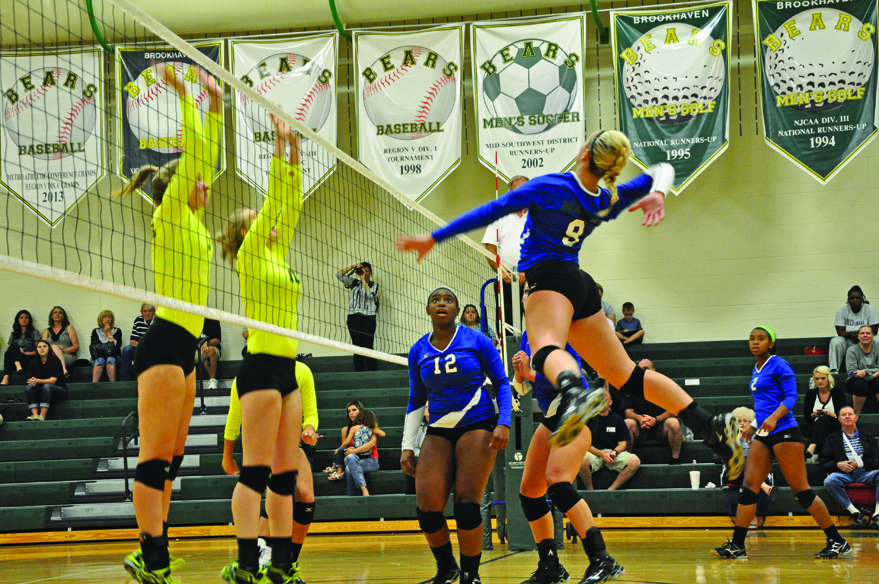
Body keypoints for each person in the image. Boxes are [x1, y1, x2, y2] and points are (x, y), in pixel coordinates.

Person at [398, 130, 742, 583]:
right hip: (581, 284)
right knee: (627, 377)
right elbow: (662, 170)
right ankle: (706, 424)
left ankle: (573, 390)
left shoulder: (553, 186)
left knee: (545, 349)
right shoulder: (605, 196)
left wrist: (435, 237)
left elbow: (489, 211)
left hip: (547, 279)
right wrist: (656, 193)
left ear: (583, 152)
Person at [115, 64, 224, 584]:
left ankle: (148, 548)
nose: (205, 185)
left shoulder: (195, 223)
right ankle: (154, 560)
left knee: (174, 458)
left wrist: (218, 110)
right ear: (176, 189)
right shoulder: (172, 213)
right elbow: (199, 157)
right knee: (155, 456)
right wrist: (186, 94)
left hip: (185, 346)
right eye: (196, 181)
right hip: (160, 345)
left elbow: (210, 157)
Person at [216, 115, 305, 584]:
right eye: (256, 220)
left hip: (288, 371)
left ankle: (283, 567)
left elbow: (290, 202)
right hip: (259, 371)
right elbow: (276, 203)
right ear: (246, 234)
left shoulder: (277, 253)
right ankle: (247, 563)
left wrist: (294, 150)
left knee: (284, 476)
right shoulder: (251, 256)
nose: (266, 220)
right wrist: (275, 143)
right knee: (254, 472)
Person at [401, 287, 511, 584]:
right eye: (435, 300)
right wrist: (407, 446)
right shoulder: (418, 350)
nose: (441, 304)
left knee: (465, 503)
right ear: (427, 310)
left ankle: (470, 575)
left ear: (457, 309)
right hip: (438, 428)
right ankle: (447, 567)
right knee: (427, 507)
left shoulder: (478, 340)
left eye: (447, 300)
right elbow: (415, 399)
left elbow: (501, 382)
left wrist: (504, 422)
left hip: (477, 422)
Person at [712, 326, 850, 560]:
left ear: (771, 343)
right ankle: (737, 545)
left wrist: (774, 418)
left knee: (802, 492)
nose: (755, 342)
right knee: (748, 487)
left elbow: (791, 397)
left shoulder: (779, 364)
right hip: (765, 433)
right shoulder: (756, 368)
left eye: (761, 339)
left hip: (785, 431)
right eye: (752, 338)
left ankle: (837, 540)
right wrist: (756, 426)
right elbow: (763, 404)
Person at [223, 360, 319, 584]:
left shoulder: (301, 371)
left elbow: (311, 413)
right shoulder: (245, 375)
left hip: (288, 443)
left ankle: (285, 562)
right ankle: (260, 557)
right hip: (259, 445)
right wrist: (227, 454)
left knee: (305, 495)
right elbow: (234, 417)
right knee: (274, 493)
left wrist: (309, 429)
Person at [819, 405, 879, 529]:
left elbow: (877, 460)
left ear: (856, 418)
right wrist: (837, 465)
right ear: (839, 419)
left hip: (865, 472)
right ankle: (855, 513)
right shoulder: (832, 438)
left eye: (850, 414)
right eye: (843, 415)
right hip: (844, 474)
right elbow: (823, 461)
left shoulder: (868, 436)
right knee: (829, 481)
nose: (847, 417)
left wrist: (859, 464)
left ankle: (877, 514)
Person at [482, 175, 529, 332]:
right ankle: (508, 356)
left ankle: (536, 355)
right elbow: (490, 250)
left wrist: (528, 271)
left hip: (533, 279)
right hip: (505, 280)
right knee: (507, 327)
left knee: (536, 322)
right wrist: (502, 271)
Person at [722, 407, 773, 529]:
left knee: (750, 464)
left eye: (746, 421)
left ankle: (752, 517)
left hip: (757, 472)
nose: (742, 424)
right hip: (734, 474)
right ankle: (764, 486)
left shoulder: (760, 436)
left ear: (752, 423)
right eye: (739, 421)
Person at [578, 391, 639, 491]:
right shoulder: (589, 420)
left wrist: (614, 453)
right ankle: (590, 490)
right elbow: (586, 445)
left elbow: (623, 443)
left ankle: (611, 489)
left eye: (604, 400)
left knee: (635, 461)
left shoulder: (618, 420)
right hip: (595, 453)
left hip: (612, 453)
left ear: (610, 402)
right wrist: (602, 455)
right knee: (581, 460)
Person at [624, 359, 682, 464]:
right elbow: (628, 413)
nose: (643, 371)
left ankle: (675, 458)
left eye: (646, 368)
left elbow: (674, 410)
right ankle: (628, 459)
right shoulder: (630, 388)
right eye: (640, 369)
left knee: (674, 423)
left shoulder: (665, 386)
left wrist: (656, 419)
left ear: (654, 370)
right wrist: (640, 418)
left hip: (661, 426)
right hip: (641, 427)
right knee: (627, 423)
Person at [336, 262, 379, 372]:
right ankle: (359, 372)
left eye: (367, 271)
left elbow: (370, 295)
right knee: (357, 346)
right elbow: (339, 275)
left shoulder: (374, 285)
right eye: (363, 270)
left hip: (368, 318)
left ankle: (372, 372)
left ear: (370, 273)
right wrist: (353, 267)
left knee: (368, 345)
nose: (365, 273)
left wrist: (364, 279)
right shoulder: (354, 283)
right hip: (354, 317)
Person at [830, 286, 879, 373]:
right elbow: (840, 331)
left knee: (877, 339)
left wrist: (861, 335)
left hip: (866, 340)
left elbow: (874, 331)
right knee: (836, 341)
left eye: (857, 298)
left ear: (862, 299)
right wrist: (852, 334)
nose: (855, 300)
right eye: (852, 298)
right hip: (849, 340)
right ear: (848, 300)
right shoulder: (842, 311)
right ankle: (834, 370)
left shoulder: (870, 310)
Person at [802, 366, 846, 461]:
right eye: (817, 379)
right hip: (814, 426)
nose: (820, 381)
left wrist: (831, 415)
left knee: (826, 419)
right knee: (821, 421)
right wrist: (814, 415)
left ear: (828, 379)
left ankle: (813, 446)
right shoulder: (811, 394)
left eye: (823, 378)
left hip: (834, 424)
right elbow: (806, 418)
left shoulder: (837, 392)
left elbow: (845, 414)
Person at [24, 339, 68, 421]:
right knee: (28, 388)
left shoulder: (55, 360)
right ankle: (35, 415)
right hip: (41, 391)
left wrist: (37, 380)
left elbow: (52, 381)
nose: (42, 348)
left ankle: (42, 416)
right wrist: (32, 382)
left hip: (59, 390)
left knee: (47, 386)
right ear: (36, 350)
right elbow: (31, 378)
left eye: (44, 346)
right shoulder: (32, 362)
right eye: (39, 347)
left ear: (49, 349)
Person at [844, 325, 879, 414]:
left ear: (872, 335)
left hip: (875, 379)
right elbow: (851, 371)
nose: (865, 335)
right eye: (862, 333)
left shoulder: (878, 348)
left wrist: (865, 372)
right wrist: (873, 374)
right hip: (857, 379)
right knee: (860, 385)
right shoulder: (851, 350)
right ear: (858, 336)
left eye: (868, 333)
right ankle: (857, 416)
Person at [2, 310, 41, 385]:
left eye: (26, 317)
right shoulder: (14, 334)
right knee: (12, 347)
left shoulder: (34, 332)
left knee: (13, 347)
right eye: (21, 318)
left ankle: (7, 376)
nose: (24, 319)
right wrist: (17, 352)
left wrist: (24, 353)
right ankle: (7, 376)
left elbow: (39, 350)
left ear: (29, 320)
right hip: (16, 360)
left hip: (28, 359)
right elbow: (9, 349)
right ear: (18, 320)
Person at [120, 304, 157, 382]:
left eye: (150, 311)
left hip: (156, 350)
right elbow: (133, 341)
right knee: (127, 350)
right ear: (141, 312)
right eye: (145, 311)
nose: (147, 313)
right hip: (142, 349)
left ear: (154, 312)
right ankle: (124, 381)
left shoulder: (159, 321)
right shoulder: (138, 320)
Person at [42, 306, 79, 379]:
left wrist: (62, 351)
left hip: (66, 355)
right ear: (52, 316)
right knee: (54, 347)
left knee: (53, 358)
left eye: (60, 312)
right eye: (55, 312)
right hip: (51, 355)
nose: (57, 314)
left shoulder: (69, 328)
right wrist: (55, 349)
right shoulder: (46, 331)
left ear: (63, 316)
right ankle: (64, 371)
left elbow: (76, 346)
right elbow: (43, 347)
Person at [90, 310, 123, 382]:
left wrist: (109, 333)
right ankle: (94, 386)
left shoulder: (117, 331)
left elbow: (117, 346)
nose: (107, 319)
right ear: (100, 319)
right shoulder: (95, 331)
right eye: (105, 317)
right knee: (100, 360)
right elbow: (94, 347)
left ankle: (112, 385)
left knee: (110, 359)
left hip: (114, 357)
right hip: (98, 357)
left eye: (110, 317)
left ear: (112, 320)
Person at [199, 318, 222, 390]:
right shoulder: (189, 321)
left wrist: (207, 343)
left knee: (209, 350)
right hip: (195, 349)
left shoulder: (212, 320)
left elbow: (217, 340)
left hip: (210, 346)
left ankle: (212, 381)